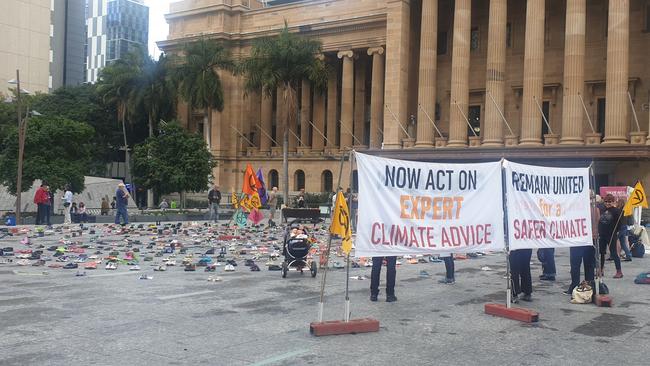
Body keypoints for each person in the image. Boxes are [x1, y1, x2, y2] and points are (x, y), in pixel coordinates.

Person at [565, 191, 598, 295]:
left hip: (580, 240)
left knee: (577, 265)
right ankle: (588, 286)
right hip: (587, 239)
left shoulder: (579, 209)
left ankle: (576, 286)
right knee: (588, 265)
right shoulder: (595, 209)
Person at [599, 194, 623, 278]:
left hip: (611, 234)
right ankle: (600, 270)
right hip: (602, 234)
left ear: (613, 202)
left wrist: (616, 232)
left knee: (613, 253)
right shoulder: (601, 209)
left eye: (610, 201)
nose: (607, 203)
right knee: (601, 253)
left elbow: (620, 224)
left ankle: (619, 271)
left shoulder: (616, 211)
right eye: (606, 201)